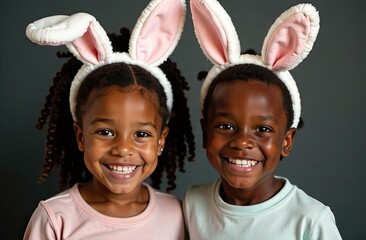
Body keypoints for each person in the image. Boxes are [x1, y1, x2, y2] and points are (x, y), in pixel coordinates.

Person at [24, 0, 194, 239]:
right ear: (81, 137)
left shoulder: (179, 215)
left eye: (142, 134)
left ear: (160, 141)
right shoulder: (55, 218)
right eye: (105, 132)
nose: (123, 149)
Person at [183, 0, 342, 239]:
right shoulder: (192, 204)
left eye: (263, 129)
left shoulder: (310, 220)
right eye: (226, 126)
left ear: (286, 141)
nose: (242, 142)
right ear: (205, 132)